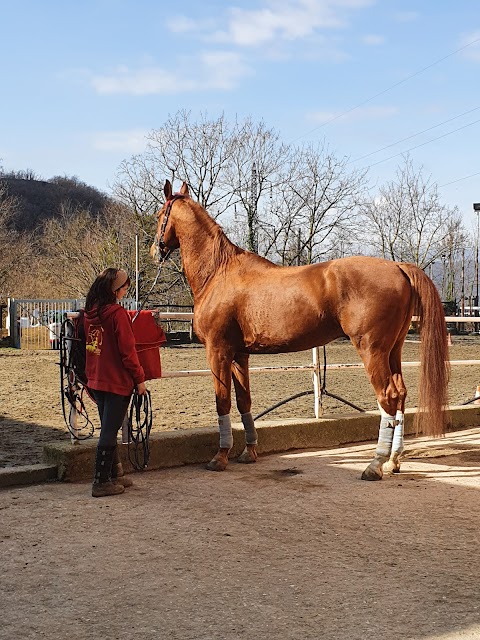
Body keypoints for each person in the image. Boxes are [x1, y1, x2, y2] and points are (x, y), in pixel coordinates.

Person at [84, 267, 147, 497]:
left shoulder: (90, 313)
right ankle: (100, 482)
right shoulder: (118, 315)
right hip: (116, 381)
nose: (126, 290)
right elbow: (128, 352)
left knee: (108, 426)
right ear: (116, 290)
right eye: (125, 287)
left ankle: (114, 474)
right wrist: (140, 380)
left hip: (96, 378)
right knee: (109, 431)